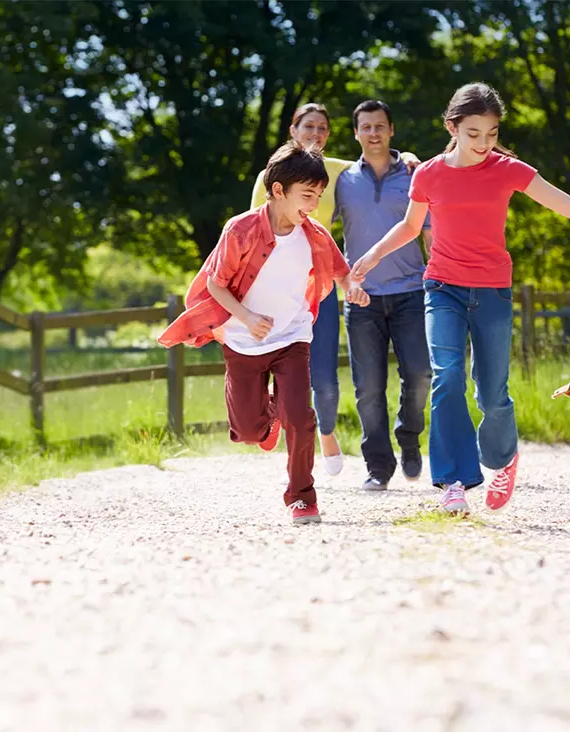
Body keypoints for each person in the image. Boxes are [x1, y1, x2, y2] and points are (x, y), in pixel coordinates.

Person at [351, 83, 570, 514]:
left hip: (491, 290)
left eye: (491, 134)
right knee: (446, 375)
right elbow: (412, 228)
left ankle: (503, 458)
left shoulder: (508, 169)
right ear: (453, 127)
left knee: (492, 395)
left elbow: (563, 203)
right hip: (442, 287)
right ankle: (453, 480)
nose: (484, 144)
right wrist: (372, 255)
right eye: (474, 134)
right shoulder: (428, 173)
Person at [160, 142, 369, 525]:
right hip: (243, 339)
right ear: (278, 190)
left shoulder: (315, 235)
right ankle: (267, 416)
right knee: (248, 430)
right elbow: (217, 285)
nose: (314, 203)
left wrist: (352, 287)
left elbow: (340, 272)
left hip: (291, 336)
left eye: (318, 196)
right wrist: (246, 316)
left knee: (301, 417)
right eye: (307, 195)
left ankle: (302, 496)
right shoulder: (240, 229)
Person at [250, 103, 420, 476]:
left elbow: (378, 159)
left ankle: (326, 433)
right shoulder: (270, 176)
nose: (315, 134)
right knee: (270, 367)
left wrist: (408, 156)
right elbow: (253, 232)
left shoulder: (341, 172)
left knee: (327, 385)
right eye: (308, 127)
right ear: (293, 131)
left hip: (322, 289)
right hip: (277, 291)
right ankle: (272, 418)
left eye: (322, 128)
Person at [334, 100, 433, 491]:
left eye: (380, 126)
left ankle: (409, 436)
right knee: (368, 389)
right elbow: (320, 230)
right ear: (356, 133)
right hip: (361, 298)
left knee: (421, 375)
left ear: (391, 129)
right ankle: (378, 467)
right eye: (365, 127)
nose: (373, 133)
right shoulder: (342, 180)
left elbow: (430, 232)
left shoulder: (414, 174)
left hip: (412, 290)